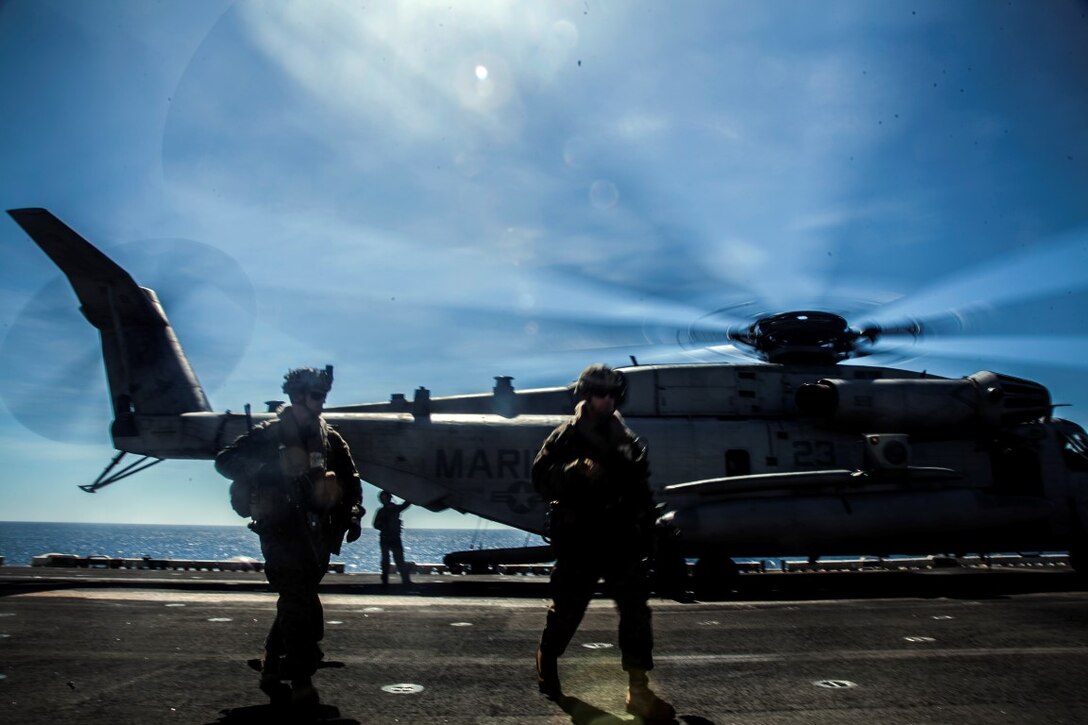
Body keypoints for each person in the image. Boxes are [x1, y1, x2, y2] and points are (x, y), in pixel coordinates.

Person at [532, 364, 676, 721]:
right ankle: (547, 661)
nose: (607, 400)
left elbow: (641, 488)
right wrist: (573, 471)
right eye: (600, 393)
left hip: (621, 539)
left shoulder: (626, 439)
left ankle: (638, 690)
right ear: (586, 394)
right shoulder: (566, 435)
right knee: (568, 611)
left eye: (613, 394)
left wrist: (651, 527)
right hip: (580, 539)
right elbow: (540, 477)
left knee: (636, 611)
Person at [215, 366, 363, 709]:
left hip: (319, 533)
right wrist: (268, 460)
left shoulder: (330, 438)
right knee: (299, 600)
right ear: (297, 397)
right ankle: (301, 679)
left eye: (323, 396)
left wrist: (353, 514)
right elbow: (226, 463)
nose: (321, 403)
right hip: (281, 529)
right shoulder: (269, 434)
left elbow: (351, 480)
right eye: (316, 396)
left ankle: (270, 667)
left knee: (298, 599)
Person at [373, 491, 412, 585]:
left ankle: (404, 579)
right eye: (383, 498)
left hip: (392, 537)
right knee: (388, 559)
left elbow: (406, 504)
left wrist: (410, 497)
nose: (384, 499)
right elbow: (375, 524)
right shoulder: (383, 511)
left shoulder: (392, 509)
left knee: (398, 559)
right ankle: (386, 579)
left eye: (385, 497)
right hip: (387, 537)